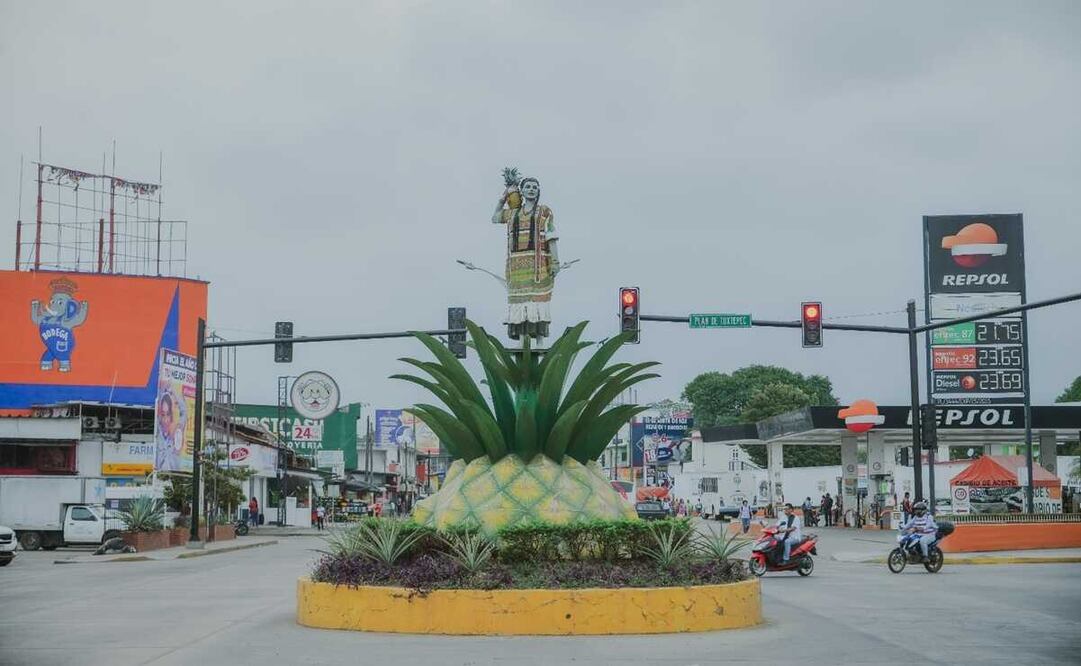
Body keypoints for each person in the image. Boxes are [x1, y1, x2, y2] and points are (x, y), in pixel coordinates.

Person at [491, 174, 561, 340]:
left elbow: (551, 235)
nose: (531, 190)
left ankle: (539, 344)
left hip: (539, 267)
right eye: (528, 187)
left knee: (538, 306)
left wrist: (555, 261)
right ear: (522, 191)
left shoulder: (544, 211)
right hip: (516, 269)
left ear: (538, 192)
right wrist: (505, 196)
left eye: (534, 187)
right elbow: (495, 217)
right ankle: (521, 344)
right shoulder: (513, 213)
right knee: (519, 307)